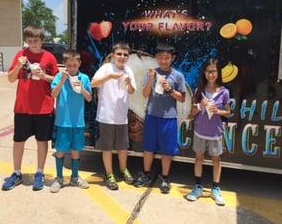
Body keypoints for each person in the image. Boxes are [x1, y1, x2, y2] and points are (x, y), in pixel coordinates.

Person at [2, 25, 59, 191]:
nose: (32, 43)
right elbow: (11, 79)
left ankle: (39, 173)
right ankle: (17, 173)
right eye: (29, 40)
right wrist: (19, 66)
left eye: (36, 40)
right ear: (26, 40)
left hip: (43, 108)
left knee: (42, 141)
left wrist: (43, 76)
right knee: (18, 141)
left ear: (42, 40)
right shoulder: (21, 55)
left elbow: (55, 81)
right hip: (22, 108)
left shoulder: (49, 57)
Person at [134, 44, 186, 194]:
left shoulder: (178, 76)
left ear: (173, 58)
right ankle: (146, 174)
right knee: (148, 148)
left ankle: (165, 178)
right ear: (156, 58)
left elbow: (182, 98)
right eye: (161, 57)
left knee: (167, 151)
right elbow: (145, 94)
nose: (163, 61)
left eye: (167, 58)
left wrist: (169, 89)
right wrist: (150, 79)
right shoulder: (151, 73)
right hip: (151, 116)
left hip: (169, 117)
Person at [91, 43, 136, 190]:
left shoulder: (129, 70)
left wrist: (129, 84)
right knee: (107, 147)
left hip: (122, 116)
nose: (122, 57)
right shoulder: (106, 68)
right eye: (119, 54)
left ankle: (123, 170)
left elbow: (132, 91)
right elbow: (93, 83)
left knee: (123, 147)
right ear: (113, 55)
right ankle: (109, 174)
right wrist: (109, 77)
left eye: (125, 55)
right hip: (106, 115)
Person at [186, 58, 230, 206]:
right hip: (200, 131)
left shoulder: (224, 92)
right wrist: (199, 106)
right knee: (199, 158)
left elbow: (228, 112)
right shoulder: (199, 91)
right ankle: (198, 187)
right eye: (208, 71)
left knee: (216, 159)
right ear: (204, 73)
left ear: (218, 73)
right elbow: (192, 113)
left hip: (216, 132)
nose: (211, 74)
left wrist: (218, 111)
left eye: (214, 71)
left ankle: (215, 189)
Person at [50, 50, 92, 193]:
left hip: (78, 122)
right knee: (60, 151)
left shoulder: (84, 78)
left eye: (75, 65)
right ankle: (59, 178)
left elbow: (89, 98)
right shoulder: (59, 76)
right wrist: (62, 80)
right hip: (63, 121)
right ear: (65, 65)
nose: (72, 68)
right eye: (69, 65)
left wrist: (82, 89)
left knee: (75, 151)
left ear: (79, 63)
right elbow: (53, 94)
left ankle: (74, 177)